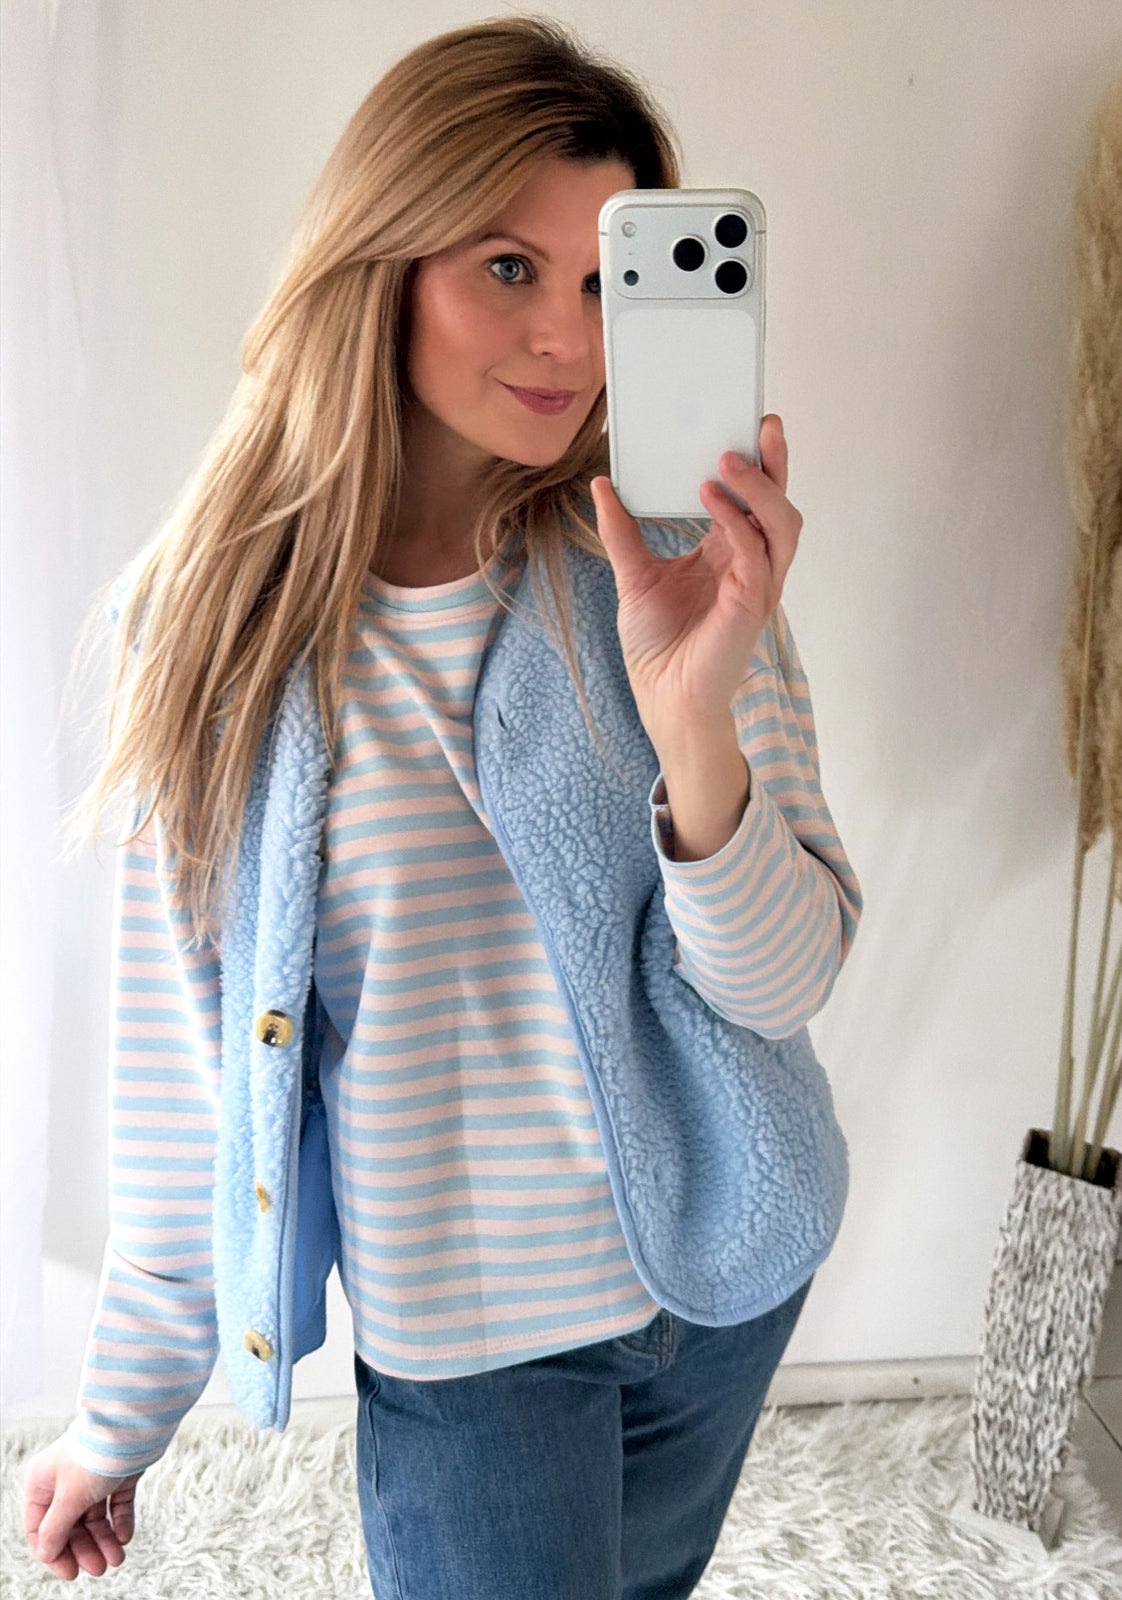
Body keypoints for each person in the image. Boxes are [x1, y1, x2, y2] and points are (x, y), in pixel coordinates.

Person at [23, 16, 863, 1598]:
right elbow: (190, 1074)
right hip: (476, 1339)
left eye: (610, 283)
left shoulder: (672, 567)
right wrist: (116, 1417)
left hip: (728, 1264)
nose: (569, 340)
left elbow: (783, 984)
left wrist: (692, 720)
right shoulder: (216, 629)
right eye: (509, 268)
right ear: (382, 260)